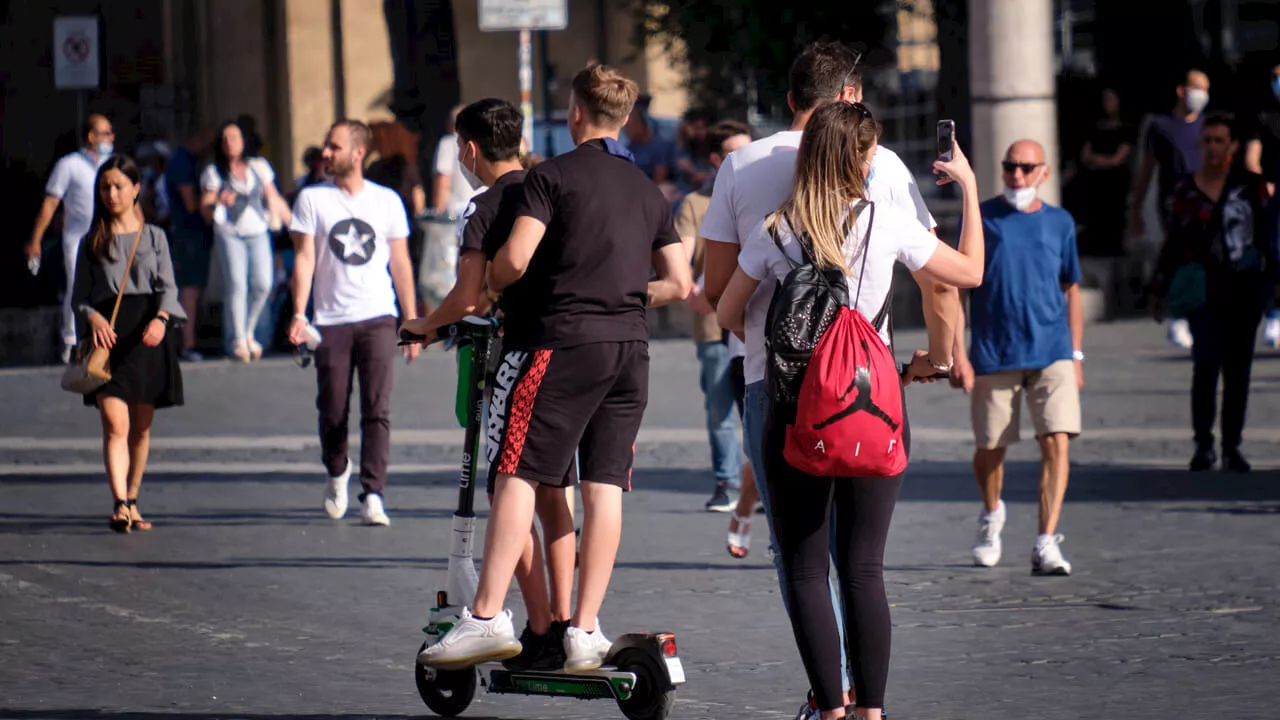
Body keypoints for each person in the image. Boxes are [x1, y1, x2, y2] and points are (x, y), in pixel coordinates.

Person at [698, 41, 959, 714]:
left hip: (775, 382)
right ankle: (866, 705)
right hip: (869, 388)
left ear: (791, 100)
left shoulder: (741, 167)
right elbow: (943, 283)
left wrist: (770, 337)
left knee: (802, 560)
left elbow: (718, 294)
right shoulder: (888, 169)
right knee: (863, 565)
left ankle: (828, 699)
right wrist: (941, 353)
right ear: (852, 99)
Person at [420, 63, 692, 672]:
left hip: (565, 342)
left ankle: (486, 616)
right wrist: (622, 289)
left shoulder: (554, 177)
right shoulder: (647, 189)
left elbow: (515, 261)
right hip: (630, 348)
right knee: (604, 485)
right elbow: (679, 282)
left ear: (574, 114)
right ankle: (585, 631)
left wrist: (489, 285)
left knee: (517, 467)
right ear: (625, 117)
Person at [402, 98, 577, 671]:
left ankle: (540, 626)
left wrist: (425, 325)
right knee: (552, 491)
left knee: (511, 491)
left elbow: (469, 296)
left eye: (459, 146)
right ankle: (565, 623)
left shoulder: (484, 205)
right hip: (572, 351)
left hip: (516, 358)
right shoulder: (552, 187)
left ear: (471, 149)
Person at [950, 140, 1084, 576]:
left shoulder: (1061, 222)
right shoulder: (983, 218)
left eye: (1027, 168)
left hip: (1052, 350)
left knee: (1056, 441)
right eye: (1010, 167)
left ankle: (1046, 541)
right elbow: (957, 287)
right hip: (994, 351)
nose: (1017, 176)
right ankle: (992, 514)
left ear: (1044, 172)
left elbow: (1071, 289)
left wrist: (1076, 353)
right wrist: (958, 353)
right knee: (990, 448)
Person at [288, 119, 421, 526]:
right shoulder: (312, 199)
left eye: (334, 147)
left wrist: (412, 320)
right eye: (327, 146)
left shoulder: (386, 201)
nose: (325, 153)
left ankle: (373, 493)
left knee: (377, 408)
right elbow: (305, 258)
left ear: (358, 153)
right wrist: (298, 311)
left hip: (379, 315)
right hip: (330, 319)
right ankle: (337, 470)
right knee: (332, 409)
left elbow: (400, 262)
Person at [1150, 113, 1274, 472]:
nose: (1212, 147)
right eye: (1207, 140)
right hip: (1202, 290)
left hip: (1244, 286)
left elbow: (1265, 237)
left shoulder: (1249, 187)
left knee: (1238, 372)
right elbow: (1173, 241)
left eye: (1219, 140)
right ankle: (1203, 443)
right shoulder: (1187, 188)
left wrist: (1273, 282)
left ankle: (1232, 445)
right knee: (1205, 367)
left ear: (1232, 145)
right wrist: (1159, 289)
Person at [71, 155, 186, 533]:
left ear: (136, 188)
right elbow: (79, 297)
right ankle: (120, 503)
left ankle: (133, 499)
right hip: (108, 340)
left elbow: (169, 288)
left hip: (147, 338)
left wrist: (161, 320)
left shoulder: (155, 236)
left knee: (140, 428)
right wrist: (92, 317)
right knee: (114, 424)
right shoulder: (92, 240)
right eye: (105, 187)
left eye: (119, 186)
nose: (111, 193)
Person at [675, 119, 754, 513]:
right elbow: (684, 256)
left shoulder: (758, 195)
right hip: (712, 323)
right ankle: (727, 483)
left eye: (748, 148)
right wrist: (686, 283)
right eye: (733, 153)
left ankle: (758, 483)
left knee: (757, 408)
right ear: (715, 159)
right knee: (721, 410)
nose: (743, 158)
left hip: (755, 325)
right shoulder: (696, 203)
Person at [1130, 70, 1212, 350]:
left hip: (1208, 201)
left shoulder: (1207, 126)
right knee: (1181, 257)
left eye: (1205, 89)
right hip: (1175, 203)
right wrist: (1136, 209)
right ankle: (1179, 317)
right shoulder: (1161, 126)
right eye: (1197, 88)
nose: (1201, 95)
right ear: (1181, 90)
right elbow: (1146, 170)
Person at [201, 120, 293, 362]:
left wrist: (293, 224)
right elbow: (205, 206)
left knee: (263, 283)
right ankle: (238, 339)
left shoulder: (258, 167)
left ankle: (249, 329)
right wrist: (219, 200)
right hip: (229, 232)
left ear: (244, 142)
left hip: (258, 230)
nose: (229, 143)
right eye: (225, 139)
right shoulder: (214, 171)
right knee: (237, 285)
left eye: (234, 137)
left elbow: (274, 196)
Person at [26, 113, 115, 363]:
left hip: (110, 238)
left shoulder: (113, 164)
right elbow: (50, 204)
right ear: (91, 136)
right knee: (78, 287)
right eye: (105, 133)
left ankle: (105, 342)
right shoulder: (69, 165)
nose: (111, 138)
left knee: (109, 288)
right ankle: (71, 341)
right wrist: (35, 240)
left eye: (111, 133)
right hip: (78, 239)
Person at [164, 129, 214, 362]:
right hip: (188, 235)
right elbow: (191, 203)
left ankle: (188, 342)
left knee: (191, 291)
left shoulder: (187, 160)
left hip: (192, 235)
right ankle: (188, 344)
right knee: (189, 292)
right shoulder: (182, 162)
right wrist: (212, 200)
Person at [1244, 63, 1280, 347]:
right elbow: (1251, 159)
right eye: (1276, 77)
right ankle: (1274, 313)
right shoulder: (1266, 119)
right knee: (1276, 255)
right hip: (1275, 197)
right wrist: (1262, 183)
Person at [1080, 89, 1134, 257]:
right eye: (1105, 100)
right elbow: (1085, 155)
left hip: (1115, 181)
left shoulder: (1125, 129)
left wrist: (1097, 161)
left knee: (1114, 215)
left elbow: (1118, 159)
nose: (1108, 104)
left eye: (1111, 100)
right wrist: (1102, 160)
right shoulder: (1096, 127)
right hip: (1096, 181)